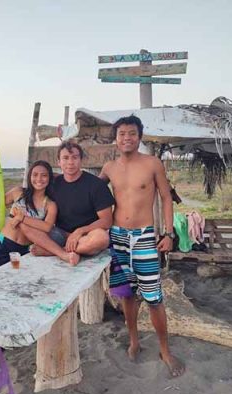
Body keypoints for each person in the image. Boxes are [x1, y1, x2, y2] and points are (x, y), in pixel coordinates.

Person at [100, 115, 185, 377]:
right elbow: (90, 193)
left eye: (132, 133)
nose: (127, 138)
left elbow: (166, 198)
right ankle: (134, 341)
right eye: (122, 133)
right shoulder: (109, 168)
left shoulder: (152, 164)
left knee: (154, 298)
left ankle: (165, 350)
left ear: (139, 137)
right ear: (116, 138)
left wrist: (168, 233)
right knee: (127, 294)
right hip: (118, 238)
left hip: (145, 237)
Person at [17, 142, 114, 263]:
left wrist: (80, 231)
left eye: (75, 157)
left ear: (81, 160)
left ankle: (54, 251)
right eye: (65, 158)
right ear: (59, 162)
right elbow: (35, 189)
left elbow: (107, 221)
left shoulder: (96, 185)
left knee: (102, 238)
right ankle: (64, 253)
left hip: (85, 236)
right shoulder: (53, 183)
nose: (70, 162)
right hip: (60, 233)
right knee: (25, 224)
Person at [0, 160, 58, 268]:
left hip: (22, 249)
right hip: (3, 242)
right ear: (29, 177)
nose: (39, 179)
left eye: (44, 175)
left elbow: (47, 227)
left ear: (49, 178)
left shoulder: (50, 205)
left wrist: (21, 218)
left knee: (16, 276)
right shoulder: (18, 192)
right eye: (35, 175)